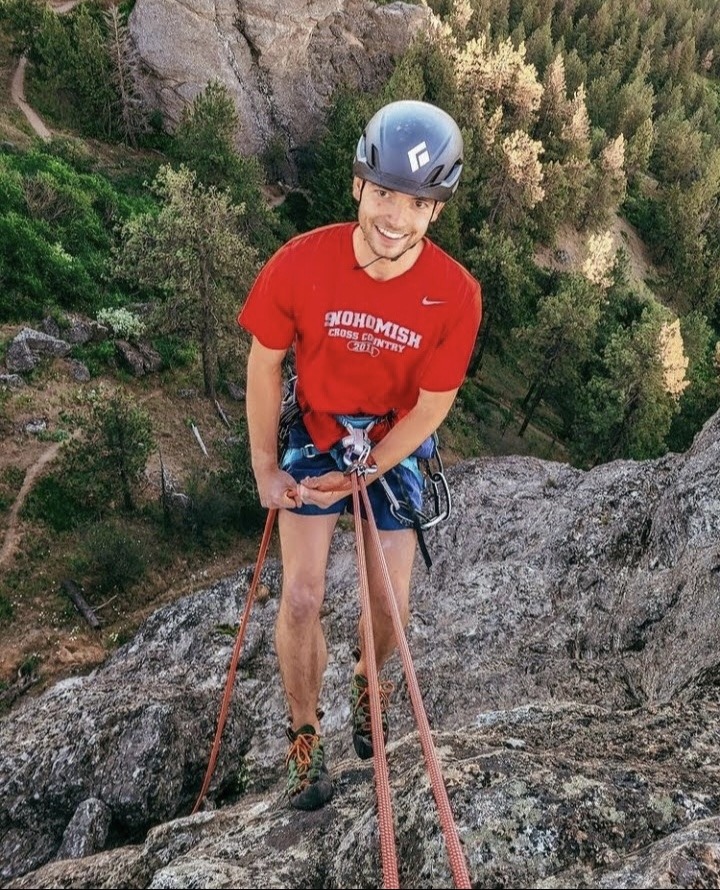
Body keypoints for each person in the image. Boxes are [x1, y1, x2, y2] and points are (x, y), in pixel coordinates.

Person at [237, 99, 482, 811]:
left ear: (435, 212)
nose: (394, 216)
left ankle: (368, 680)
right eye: (382, 193)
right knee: (305, 595)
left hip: (394, 439)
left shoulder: (456, 296)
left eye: (414, 201)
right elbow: (265, 363)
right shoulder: (299, 264)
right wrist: (263, 467)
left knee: (388, 606)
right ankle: (304, 741)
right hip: (315, 430)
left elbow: (432, 408)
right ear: (357, 187)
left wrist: (364, 472)